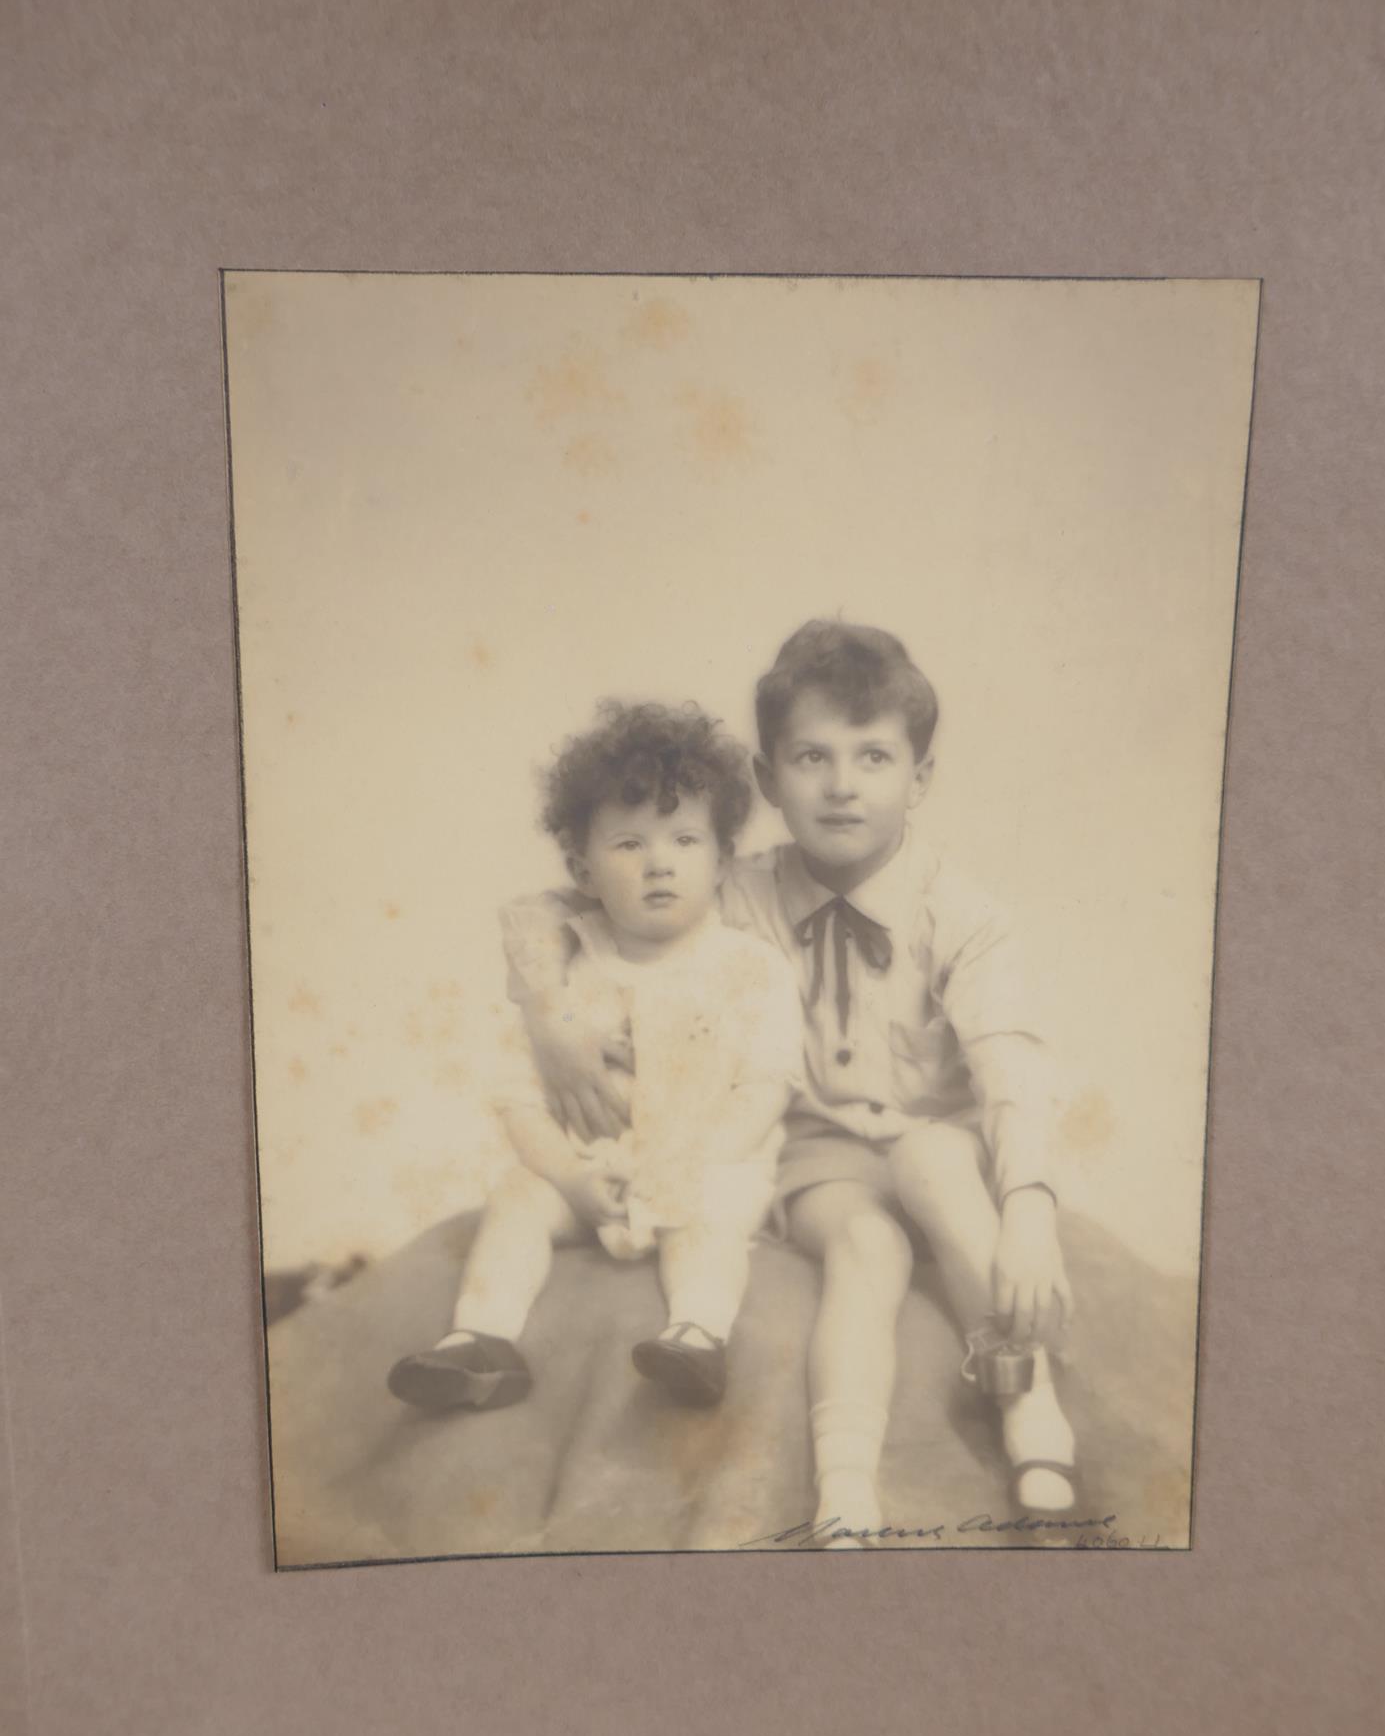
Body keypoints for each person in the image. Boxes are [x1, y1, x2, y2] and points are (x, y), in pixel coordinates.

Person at [503, 623, 1077, 1542]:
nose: (842, 784)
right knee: (866, 1249)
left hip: (946, 1147)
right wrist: (551, 1018)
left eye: (874, 756)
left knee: (931, 1162)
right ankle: (847, 1484)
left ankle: (1031, 1405)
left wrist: (1033, 1206)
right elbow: (545, 910)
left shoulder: (964, 913)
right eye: (812, 756)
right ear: (768, 782)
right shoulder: (734, 889)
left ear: (919, 779)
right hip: (819, 1163)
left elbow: (1013, 1062)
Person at [388, 701, 803, 1416]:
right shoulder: (565, 975)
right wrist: (574, 1179)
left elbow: (765, 1089)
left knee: (712, 1221)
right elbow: (520, 1098)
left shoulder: (752, 968)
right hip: (594, 1173)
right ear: (582, 867)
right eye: (629, 844)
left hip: (704, 1164)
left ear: (723, 859)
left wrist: (687, 1162)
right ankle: (480, 1339)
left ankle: (697, 1333)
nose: (660, 862)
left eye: (683, 839)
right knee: (519, 1196)